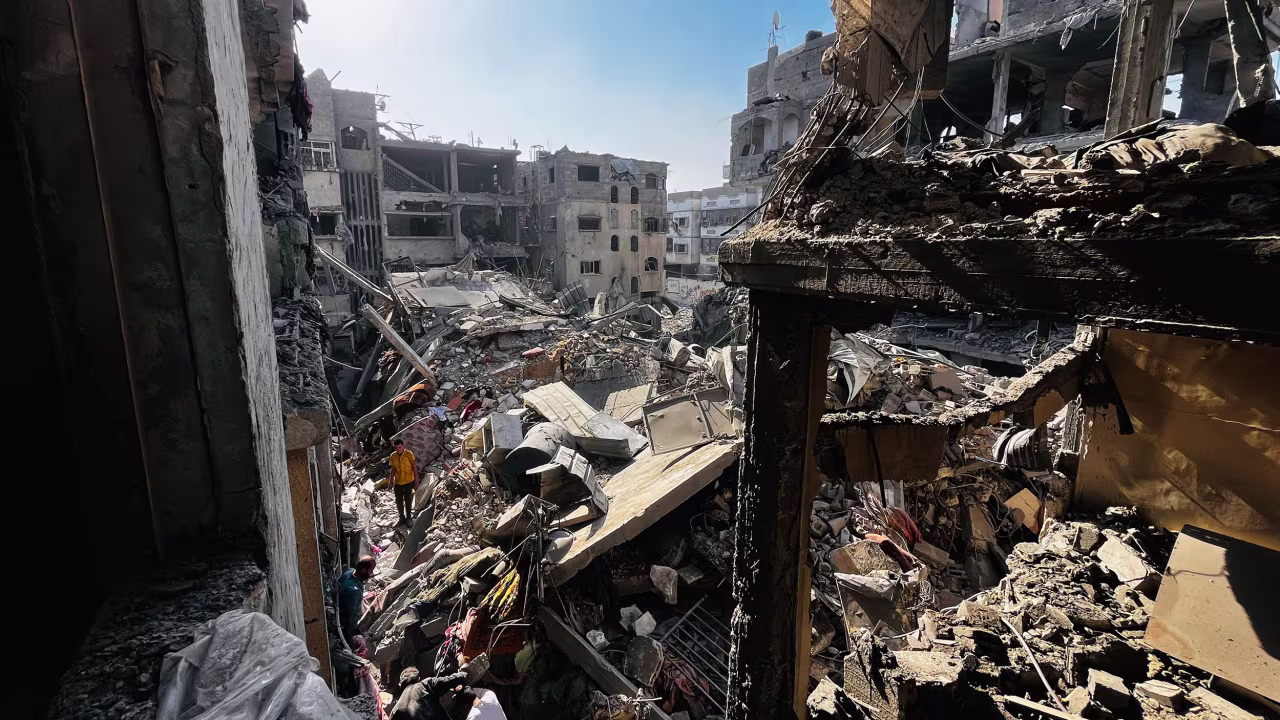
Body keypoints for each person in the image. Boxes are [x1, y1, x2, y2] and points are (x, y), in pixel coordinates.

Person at [339, 556, 375, 647]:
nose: (372, 574)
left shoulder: (350, 571)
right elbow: (348, 620)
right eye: (370, 570)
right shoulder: (354, 592)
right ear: (363, 570)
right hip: (346, 622)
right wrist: (350, 642)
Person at [388, 438, 418, 525]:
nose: (398, 450)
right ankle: (401, 517)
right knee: (398, 501)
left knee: (408, 500)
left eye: (400, 447)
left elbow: (414, 468)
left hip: (409, 480)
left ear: (403, 446)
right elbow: (393, 470)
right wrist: (390, 482)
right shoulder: (393, 456)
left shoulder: (409, 454)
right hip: (398, 482)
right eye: (396, 448)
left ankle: (409, 517)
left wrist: (416, 481)